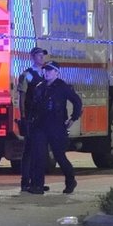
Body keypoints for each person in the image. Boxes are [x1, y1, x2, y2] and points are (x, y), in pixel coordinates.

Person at [27, 61, 82, 195]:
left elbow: (77, 101)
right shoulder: (40, 87)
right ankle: (37, 186)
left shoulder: (62, 87)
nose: (47, 72)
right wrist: (30, 121)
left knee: (59, 156)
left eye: (50, 70)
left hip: (56, 126)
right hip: (40, 126)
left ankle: (70, 181)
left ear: (57, 72)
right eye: (46, 70)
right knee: (39, 156)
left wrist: (73, 118)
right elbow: (33, 106)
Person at [16, 47, 49, 192]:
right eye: (39, 55)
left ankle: (37, 182)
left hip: (42, 117)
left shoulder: (46, 74)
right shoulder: (27, 75)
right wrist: (23, 116)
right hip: (30, 116)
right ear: (33, 57)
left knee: (40, 150)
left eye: (43, 55)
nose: (42, 58)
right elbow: (22, 97)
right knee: (29, 150)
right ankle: (25, 182)